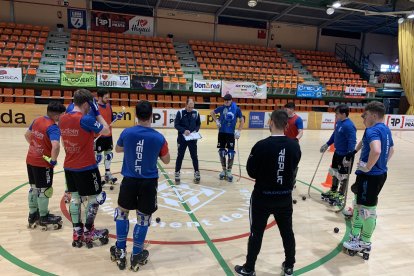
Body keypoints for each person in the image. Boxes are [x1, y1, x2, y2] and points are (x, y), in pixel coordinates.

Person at [235, 109, 301, 276]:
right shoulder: (294, 146)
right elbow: (293, 168)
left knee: (256, 233)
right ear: (286, 125)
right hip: (284, 198)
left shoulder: (261, 145)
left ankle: (249, 268)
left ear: (270, 123)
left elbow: (251, 171)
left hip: (262, 198)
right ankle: (289, 266)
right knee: (287, 233)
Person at [110, 100, 170, 271]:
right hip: (148, 183)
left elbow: (118, 149)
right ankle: (136, 254)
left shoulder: (127, 132)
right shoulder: (159, 137)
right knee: (143, 218)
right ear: (152, 116)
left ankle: (120, 250)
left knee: (122, 213)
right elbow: (166, 160)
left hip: (129, 180)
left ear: (135, 115)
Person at [59, 88, 110, 248]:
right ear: (87, 103)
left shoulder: (62, 119)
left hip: (69, 165)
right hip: (87, 166)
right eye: (91, 104)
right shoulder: (85, 119)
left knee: (75, 198)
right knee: (94, 198)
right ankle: (88, 232)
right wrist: (97, 113)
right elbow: (106, 130)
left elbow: (63, 142)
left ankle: (77, 233)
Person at [343, 101, 394, 259]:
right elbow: (391, 150)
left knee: (367, 210)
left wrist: (369, 167)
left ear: (373, 115)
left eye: (365, 115)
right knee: (359, 204)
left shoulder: (373, 130)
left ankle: (365, 242)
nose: (363, 118)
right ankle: (357, 235)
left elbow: (377, 150)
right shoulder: (384, 129)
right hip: (378, 175)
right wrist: (380, 165)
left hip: (369, 177)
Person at [25, 101, 66, 230]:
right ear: (56, 116)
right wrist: (53, 160)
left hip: (30, 159)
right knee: (45, 190)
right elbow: (56, 145)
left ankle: (33, 215)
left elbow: (27, 135)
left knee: (33, 188)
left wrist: (36, 147)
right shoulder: (53, 127)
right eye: (62, 115)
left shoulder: (37, 120)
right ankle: (43, 216)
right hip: (43, 164)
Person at [320, 104, 357, 206]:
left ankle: (341, 194)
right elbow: (334, 134)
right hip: (337, 152)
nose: (335, 115)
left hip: (346, 155)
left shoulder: (349, 126)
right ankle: (333, 190)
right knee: (334, 172)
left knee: (343, 176)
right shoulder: (339, 122)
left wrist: (349, 157)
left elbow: (352, 141)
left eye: (337, 113)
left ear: (344, 114)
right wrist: (327, 144)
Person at [210, 94, 244, 182]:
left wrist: (239, 131)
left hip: (230, 134)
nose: (226, 102)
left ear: (231, 100)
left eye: (228, 100)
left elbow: (242, 120)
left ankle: (229, 171)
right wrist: (216, 121)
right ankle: (223, 170)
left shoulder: (236, 108)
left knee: (231, 153)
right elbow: (212, 112)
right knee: (221, 152)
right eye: (225, 100)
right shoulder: (221, 108)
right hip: (221, 133)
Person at [93, 88, 124, 185]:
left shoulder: (108, 105)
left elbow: (111, 119)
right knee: (97, 157)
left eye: (108, 97)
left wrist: (117, 117)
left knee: (109, 155)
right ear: (100, 97)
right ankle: (96, 176)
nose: (108, 99)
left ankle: (107, 173)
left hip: (108, 135)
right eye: (106, 97)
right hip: (98, 136)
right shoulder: (95, 107)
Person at [174, 98, 201, 184]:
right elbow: (176, 125)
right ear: (186, 105)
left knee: (194, 156)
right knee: (180, 156)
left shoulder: (196, 112)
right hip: (182, 139)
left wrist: (195, 130)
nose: (190, 109)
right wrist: (183, 131)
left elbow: (198, 124)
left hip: (192, 139)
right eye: (189, 107)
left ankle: (197, 172)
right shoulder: (180, 112)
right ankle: (177, 172)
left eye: (192, 107)